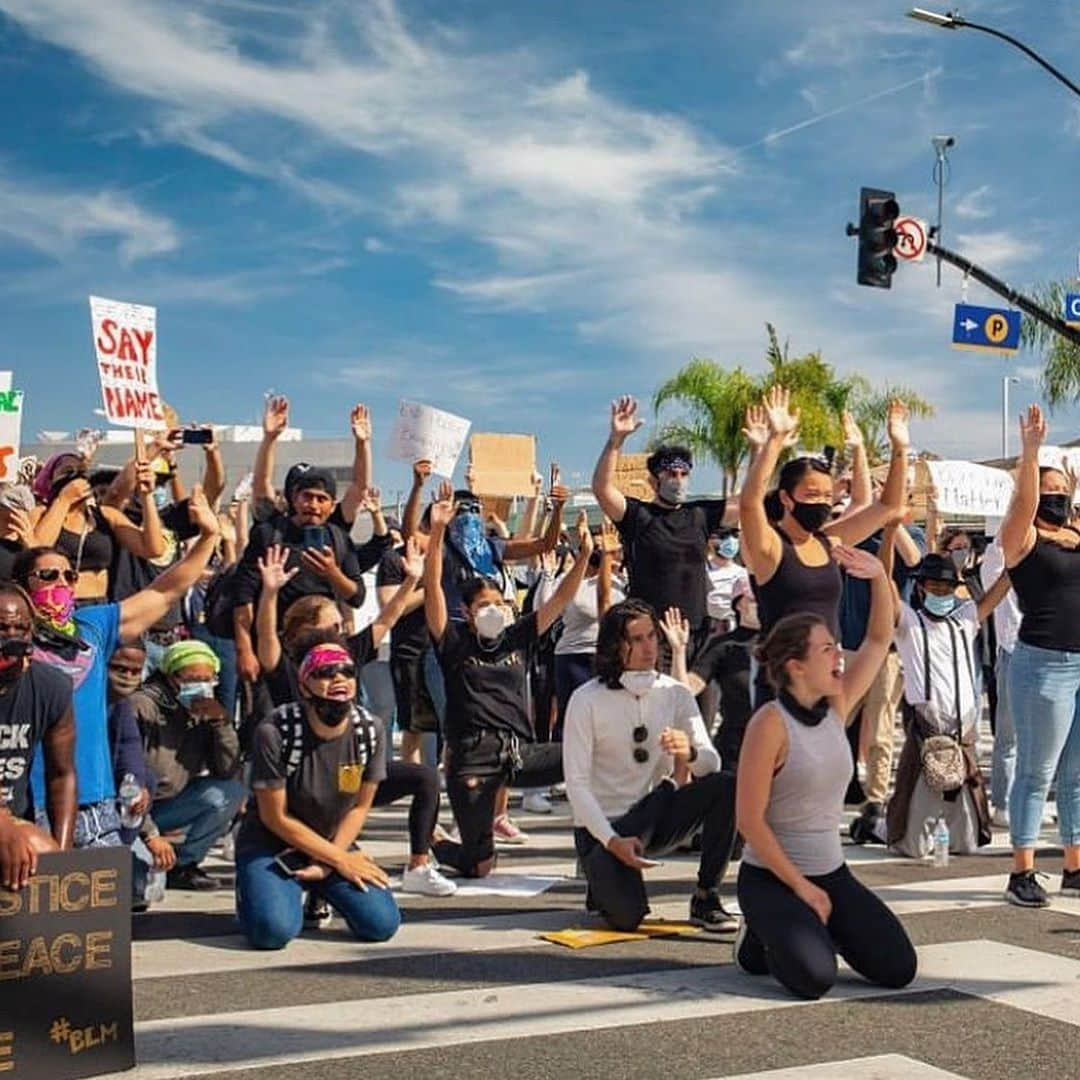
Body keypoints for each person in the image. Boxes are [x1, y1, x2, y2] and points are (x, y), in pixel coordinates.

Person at [734, 543, 917, 1000]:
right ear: (796, 666)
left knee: (898, 968)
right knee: (815, 980)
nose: (839, 656)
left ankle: (803, 928)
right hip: (772, 879)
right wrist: (800, 888)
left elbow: (878, 640)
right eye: (827, 650)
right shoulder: (770, 724)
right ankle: (757, 934)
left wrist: (878, 575)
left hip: (831, 874)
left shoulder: (837, 706)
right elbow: (748, 822)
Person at [18, 485, 223, 848]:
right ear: (20, 587)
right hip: (25, 802)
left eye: (69, 576)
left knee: (101, 906)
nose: (61, 584)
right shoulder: (11, 637)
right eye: (47, 576)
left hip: (94, 801)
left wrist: (209, 536)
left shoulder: (94, 626)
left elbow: (164, 592)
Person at [256, 541, 456, 899]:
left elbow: (387, 618)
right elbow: (266, 639)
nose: (339, 635)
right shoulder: (287, 666)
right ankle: (300, 871)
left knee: (424, 777)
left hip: (346, 771)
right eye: (330, 627)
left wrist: (411, 580)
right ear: (305, 632)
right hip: (302, 777)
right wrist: (270, 594)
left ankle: (419, 865)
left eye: (340, 627)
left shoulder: (350, 651)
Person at [424, 480, 591, 878]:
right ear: (466, 611)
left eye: (500, 602)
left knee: (590, 758)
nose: (495, 609)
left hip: (519, 753)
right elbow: (431, 587)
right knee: (478, 866)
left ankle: (596, 850)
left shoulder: (518, 637)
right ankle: (435, 841)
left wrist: (583, 557)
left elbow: (560, 600)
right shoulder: (453, 640)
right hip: (472, 759)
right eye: (485, 605)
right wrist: (435, 534)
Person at [563, 602, 736, 932]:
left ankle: (706, 896)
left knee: (726, 785)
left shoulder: (674, 692)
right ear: (615, 646)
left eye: (652, 637)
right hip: (604, 828)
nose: (649, 647)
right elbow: (577, 786)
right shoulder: (586, 699)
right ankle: (601, 876)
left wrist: (691, 752)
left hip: (655, 815)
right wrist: (613, 842)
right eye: (637, 639)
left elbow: (710, 764)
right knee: (626, 919)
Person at [739, 388, 910, 707]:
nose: (820, 503)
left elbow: (887, 506)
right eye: (811, 495)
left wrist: (900, 448)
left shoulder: (829, 541)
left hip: (830, 677)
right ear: (787, 499)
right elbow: (750, 505)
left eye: (826, 497)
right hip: (783, 681)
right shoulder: (771, 549)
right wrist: (773, 442)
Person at [235, 637, 401, 950]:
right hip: (272, 842)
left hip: (331, 836)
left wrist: (330, 861)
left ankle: (319, 887)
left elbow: (359, 807)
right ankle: (253, 886)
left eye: (347, 672)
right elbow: (275, 817)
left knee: (381, 925)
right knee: (272, 932)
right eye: (325, 673)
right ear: (305, 684)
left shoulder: (370, 729)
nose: (339, 679)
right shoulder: (276, 731)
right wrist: (341, 860)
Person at [874, 549, 1010, 856]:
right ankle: (881, 826)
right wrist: (891, 532)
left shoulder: (964, 619)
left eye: (947, 588)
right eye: (934, 587)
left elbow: (1002, 587)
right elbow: (883, 583)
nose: (941, 592)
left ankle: (903, 824)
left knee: (967, 845)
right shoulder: (909, 623)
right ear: (921, 588)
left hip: (963, 737)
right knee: (913, 847)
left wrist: (1020, 550)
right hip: (928, 734)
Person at [998, 405, 1080, 905]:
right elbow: (1025, 505)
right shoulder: (1020, 538)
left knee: (1076, 775)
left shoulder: (1075, 535)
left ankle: (1074, 864)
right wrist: (1031, 454)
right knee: (1036, 772)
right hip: (1043, 663)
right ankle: (1021, 872)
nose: (1055, 498)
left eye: (1062, 492)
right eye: (1047, 493)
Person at [591, 396, 738, 676]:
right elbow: (602, 488)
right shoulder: (638, 516)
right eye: (671, 473)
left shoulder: (700, 515)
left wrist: (767, 448)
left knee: (698, 718)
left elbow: (750, 504)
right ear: (654, 480)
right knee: (664, 715)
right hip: (654, 638)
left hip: (697, 635)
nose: (679, 479)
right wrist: (616, 440)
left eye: (684, 473)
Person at [130, 640, 244, 891]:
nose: (201, 686)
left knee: (229, 792)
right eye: (192, 679)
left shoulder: (204, 710)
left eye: (208, 679)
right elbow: (127, 778)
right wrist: (150, 834)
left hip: (172, 804)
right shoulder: (143, 706)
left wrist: (221, 724)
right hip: (134, 810)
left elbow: (227, 770)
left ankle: (183, 865)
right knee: (137, 890)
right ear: (172, 677)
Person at [0, 583, 76, 890]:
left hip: (13, 821)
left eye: (22, 628)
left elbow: (62, 773)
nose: (12, 636)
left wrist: (64, 857)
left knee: (40, 849)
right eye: (2, 627)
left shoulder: (51, 687)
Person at [30, 451, 165, 603]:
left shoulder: (106, 515)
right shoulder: (40, 514)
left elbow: (154, 549)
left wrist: (146, 496)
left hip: (98, 605)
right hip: (54, 605)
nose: (76, 475)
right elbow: (36, 553)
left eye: (81, 471)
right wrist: (63, 501)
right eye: (67, 471)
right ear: (50, 480)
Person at [534, 513, 623, 738]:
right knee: (572, 718)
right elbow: (543, 607)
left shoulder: (620, 584)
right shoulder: (571, 581)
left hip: (607, 656)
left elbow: (609, 606)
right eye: (598, 550)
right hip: (574, 657)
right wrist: (547, 574)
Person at [980, 535, 1022, 827]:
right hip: (1013, 652)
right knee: (1008, 736)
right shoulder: (999, 565)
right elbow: (996, 556)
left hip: (1056, 653)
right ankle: (1003, 803)